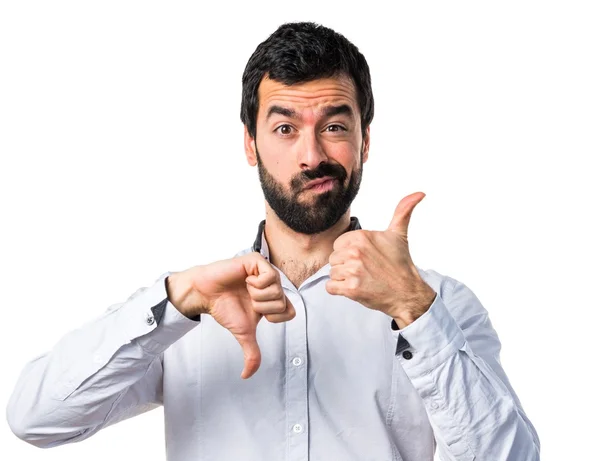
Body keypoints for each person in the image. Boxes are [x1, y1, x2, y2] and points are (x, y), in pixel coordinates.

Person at [7, 21, 540, 461]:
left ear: (365, 140)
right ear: (250, 144)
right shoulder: (191, 312)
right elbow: (36, 419)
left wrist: (414, 310)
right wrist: (175, 301)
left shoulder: (442, 306)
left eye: (334, 125)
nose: (311, 156)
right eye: (285, 128)